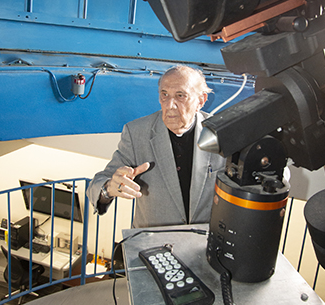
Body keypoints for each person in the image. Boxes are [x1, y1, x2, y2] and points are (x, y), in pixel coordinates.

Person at [87, 65, 226, 228]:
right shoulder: (136, 133)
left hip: (205, 242)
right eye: (164, 95)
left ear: (201, 100)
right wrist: (108, 188)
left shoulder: (222, 132)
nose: (170, 105)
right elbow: (98, 183)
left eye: (180, 96)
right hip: (151, 242)